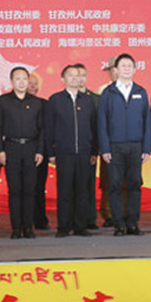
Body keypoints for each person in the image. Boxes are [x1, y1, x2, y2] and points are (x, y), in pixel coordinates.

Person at [98, 53, 151, 236]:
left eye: (130, 66)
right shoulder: (108, 92)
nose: (127, 69)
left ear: (135, 69)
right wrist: (105, 148)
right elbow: (102, 122)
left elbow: (147, 121)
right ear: (116, 70)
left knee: (134, 185)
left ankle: (132, 223)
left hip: (136, 146)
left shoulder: (141, 91)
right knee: (114, 186)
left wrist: (146, 147)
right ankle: (119, 224)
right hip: (115, 146)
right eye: (123, 66)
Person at [45, 65, 98, 237]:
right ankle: (64, 226)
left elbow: (94, 127)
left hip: (84, 152)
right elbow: (49, 128)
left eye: (78, 75)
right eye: (71, 75)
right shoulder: (55, 100)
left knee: (82, 191)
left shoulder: (88, 101)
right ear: (63, 79)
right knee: (65, 191)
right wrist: (50, 152)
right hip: (64, 152)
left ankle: (80, 226)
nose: (75, 78)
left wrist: (94, 151)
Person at [0, 66, 45, 239]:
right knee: (14, 190)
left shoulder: (37, 103)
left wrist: (40, 150)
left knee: (30, 190)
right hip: (11, 148)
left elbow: (42, 129)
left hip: (31, 148)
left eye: (25, 79)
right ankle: (16, 228)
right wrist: (0, 150)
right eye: (18, 79)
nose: (22, 82)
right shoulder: (2, 101)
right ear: (11, 81)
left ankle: (28, 227)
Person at [74, 62, 100, 230]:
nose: (80, 79)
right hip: (70, 150)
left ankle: (90, 219)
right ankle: (72, 218)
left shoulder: (95, 99)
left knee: (89, 185)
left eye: (83, 75)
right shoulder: (65, 98)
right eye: (77, 75)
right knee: (72, 185)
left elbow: (98, 126)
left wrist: (95, 150)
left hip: (89, 149)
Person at [97, 56, 118, 228]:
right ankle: (108, 214)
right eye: (112, 69)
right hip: (109, 143)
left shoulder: (136, 90)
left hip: (129, 143)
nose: (115, 72)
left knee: (127, 181)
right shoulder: (102, 90)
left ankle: (125, 213)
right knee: (108, 180)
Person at [28, 72, 50, 230]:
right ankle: (25, 220)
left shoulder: (45, 104)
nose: (32, 86)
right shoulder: (9, 103)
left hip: (41, 151)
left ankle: (40, 219)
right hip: (21, 150)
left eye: (35, 83)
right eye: (30, 82)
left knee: (39, 187)